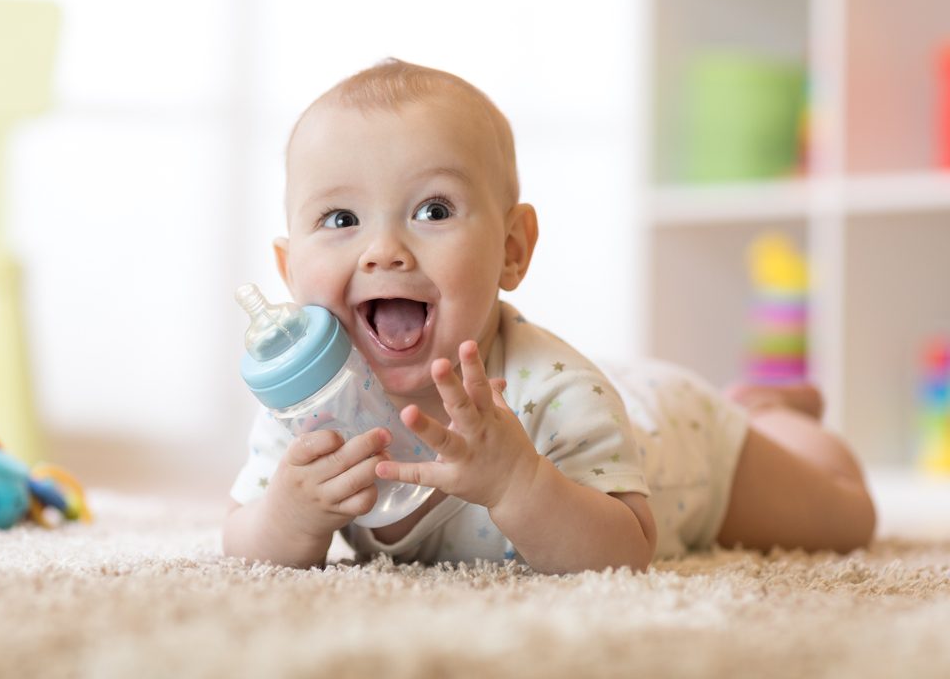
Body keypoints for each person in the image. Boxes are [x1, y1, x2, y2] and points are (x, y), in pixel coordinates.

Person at [222, 59, 876, 573]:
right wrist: (289, 515)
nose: (384, 251)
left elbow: (626, 551)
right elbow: (244, 536)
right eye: (340, 220)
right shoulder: (312, 408)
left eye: (433, 211)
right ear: (288, 271)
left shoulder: (555, 391)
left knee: (846, 518)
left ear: (512, 250)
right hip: (622, 397)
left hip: (677, 438)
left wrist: (519, 483)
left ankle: (768, 414)